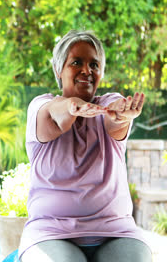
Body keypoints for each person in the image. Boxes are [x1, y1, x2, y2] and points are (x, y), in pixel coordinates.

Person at [18, 30, 152, 262]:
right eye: (76, 62)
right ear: (59, 70)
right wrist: (71, 107)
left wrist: (121, 114)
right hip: (51, 234)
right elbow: (56, 116)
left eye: (94, 64)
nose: (86, 71)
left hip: (115, 233)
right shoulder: (41, 106)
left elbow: (115, 119)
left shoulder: (107, 104)